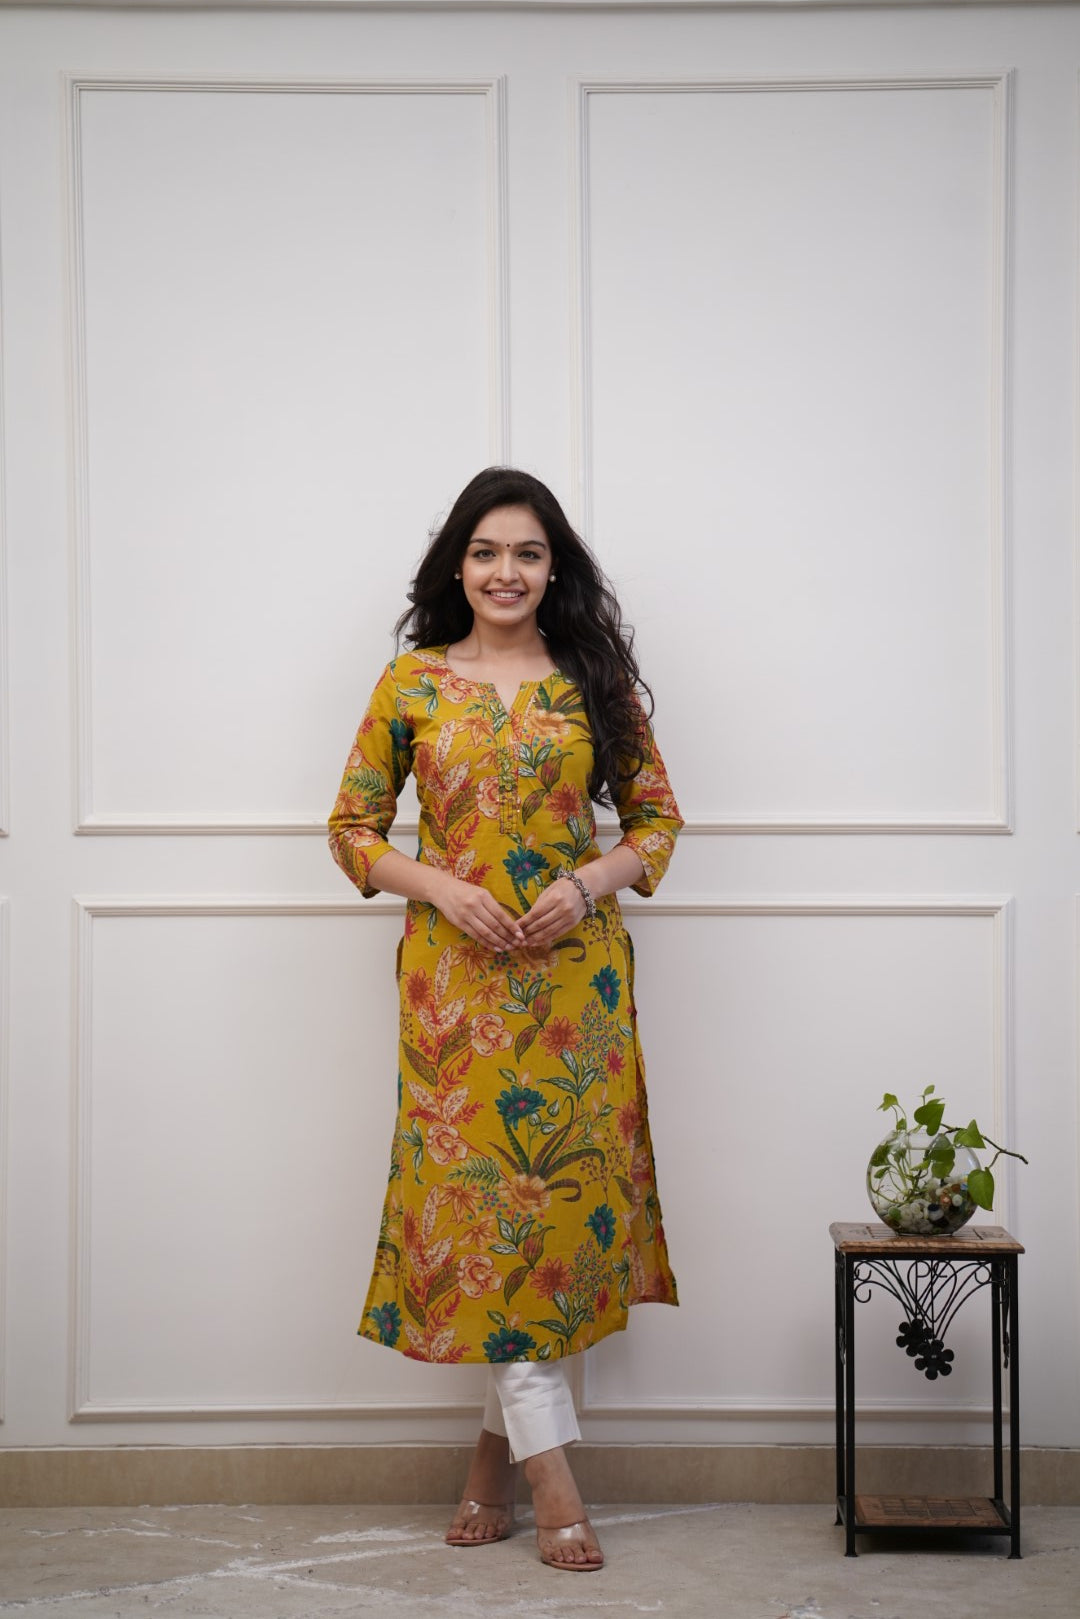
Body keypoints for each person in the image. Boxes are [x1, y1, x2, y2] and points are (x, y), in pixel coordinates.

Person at [328, 467, 682, 1571]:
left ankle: (493, 1464)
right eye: (485, 551)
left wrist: (587, 883)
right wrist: (439, 885)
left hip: (578, 991)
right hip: (454, 997)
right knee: (488, 1223)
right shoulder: (413, 683)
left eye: (527, 552)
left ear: (553, 566)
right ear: (459, 565)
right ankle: (553, 1481)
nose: (506, 572)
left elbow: (659, 823)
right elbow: (349, 829)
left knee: (551, 1226)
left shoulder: (592, 682)